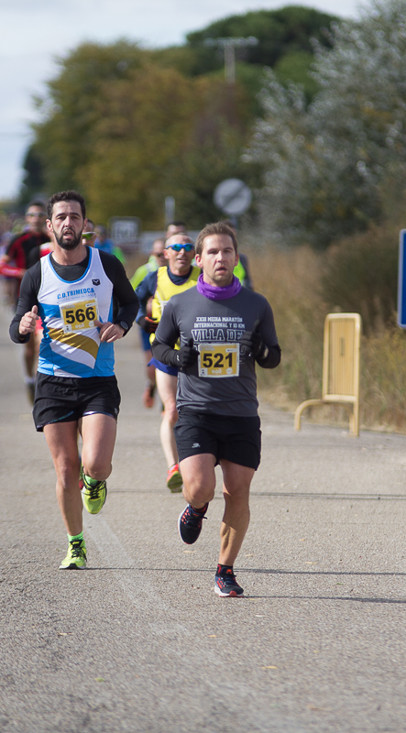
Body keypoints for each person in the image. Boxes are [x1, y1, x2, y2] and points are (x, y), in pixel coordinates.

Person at [10, 190, 139, 570]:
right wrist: (23, 326)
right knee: (65, 469)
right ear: (49, 226)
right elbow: (17, 326)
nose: (68, 223)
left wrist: (121, 325)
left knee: (94, 464)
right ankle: (75, 543)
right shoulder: (37, 274)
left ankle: (96, 481)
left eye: (75, 216)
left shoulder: (107, 265)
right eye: (61, 217)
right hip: (53, 382)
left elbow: (130, 303)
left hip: (98, 380)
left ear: (85, 224)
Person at [151, 221, 280, 597]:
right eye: (212, 251)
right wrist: (178, 357)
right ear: (198, 259)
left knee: (238, 491)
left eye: (226, 251)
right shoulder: (179, 304)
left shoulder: (256, 304)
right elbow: (160, 349)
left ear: (236, 258)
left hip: (240, 414)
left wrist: (261, 352)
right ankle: (195, 507)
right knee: (200, 486)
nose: (220, 257)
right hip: (197, 412)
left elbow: (274, 356)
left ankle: (225, 570)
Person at [136, 232, 199, 491]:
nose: (182, 252)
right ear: (166, 253)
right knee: (171, 410)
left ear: (194, 254)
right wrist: (142, 318)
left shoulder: (202, 278)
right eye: (176, 247)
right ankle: (174, 467)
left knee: (194, 413)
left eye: (187, 247)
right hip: (165, 352)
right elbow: (135, 301)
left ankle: (195, 463)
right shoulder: (155, 277)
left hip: (198, 356)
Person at [0, 201, 51, 402]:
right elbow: (0, 267)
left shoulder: (50, 239)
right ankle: (29, 379)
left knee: (44, 342)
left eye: (40, 215)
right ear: (27, 218)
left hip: (49, 298)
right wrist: (20, 273)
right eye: (32, 215)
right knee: (28, 347)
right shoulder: (18, 241)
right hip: (24, 298)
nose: (36, 219)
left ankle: (43, 381)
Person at [129, 238, 167, 408]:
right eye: (158, 253)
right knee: (151, 367)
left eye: (164, 253)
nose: (162, 256)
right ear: (152, 254)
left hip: (170, 328)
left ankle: (165, 397)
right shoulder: (145, 272)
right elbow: (131, 295)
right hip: (150, 325)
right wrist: (141, 316)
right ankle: (151, 384)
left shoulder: (184, 273)